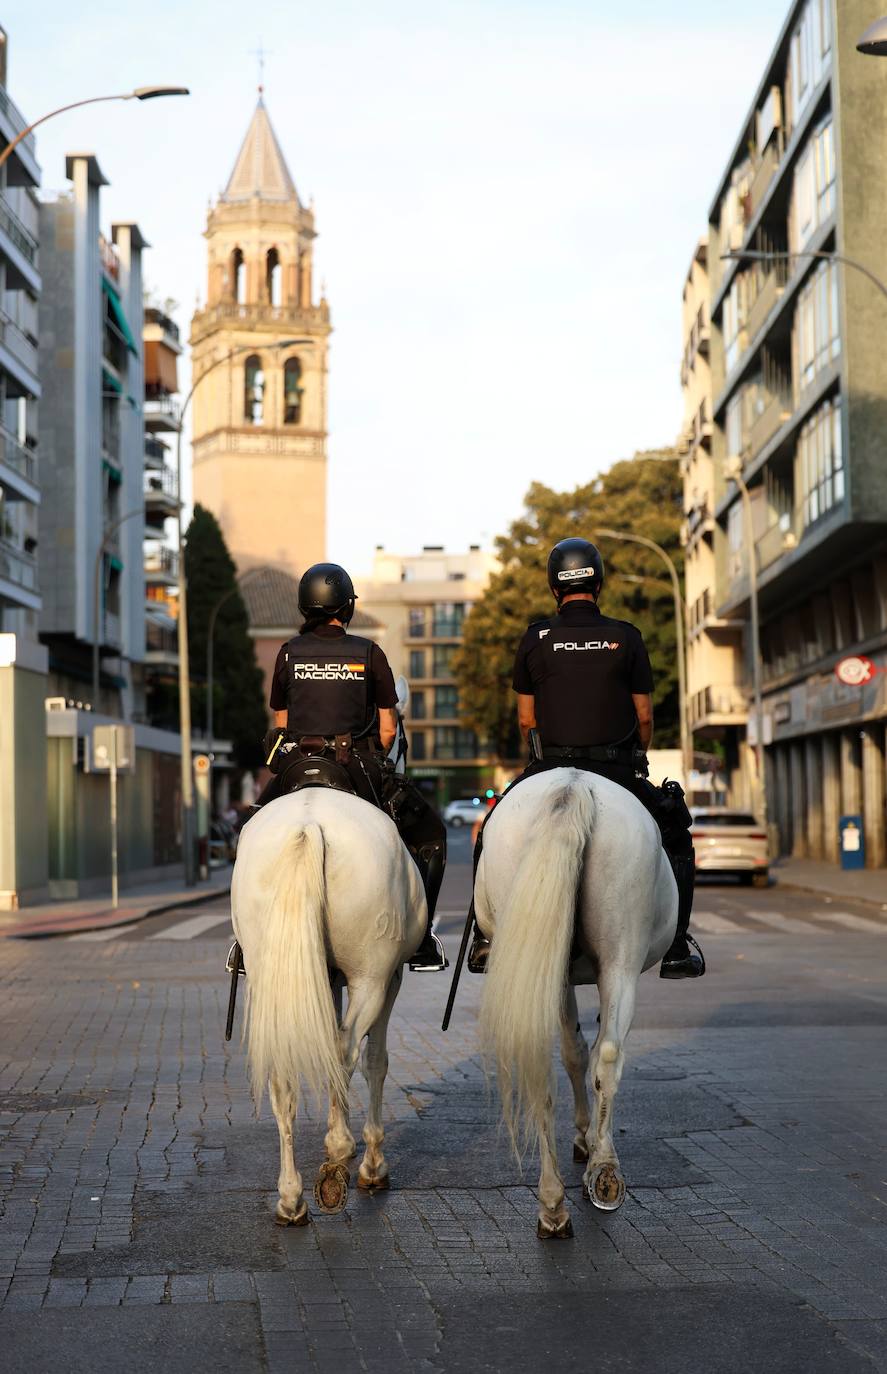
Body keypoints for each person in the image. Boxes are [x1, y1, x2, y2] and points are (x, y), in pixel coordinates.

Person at [467, 536, 704, 980]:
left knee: (490, 833)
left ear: (555, 588)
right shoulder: (625, 636)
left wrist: (541, 752)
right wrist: (638, 756)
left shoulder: (535, 638)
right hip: (617, 768)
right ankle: (675, 944)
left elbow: (525, 720)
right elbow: (645, 715)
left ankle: (484, 939)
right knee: (676, 834)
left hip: (549, 763)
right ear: (599, 584)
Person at [248, 561, 448, 973]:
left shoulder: (287, 653)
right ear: (347, 607)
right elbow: (389, 729)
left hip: (298, 767)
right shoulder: (369, 652)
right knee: (430, 835)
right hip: (355, 765)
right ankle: (423, 939)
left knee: (249, 834)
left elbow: (282, 727)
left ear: (306, 608)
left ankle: (244, 943)